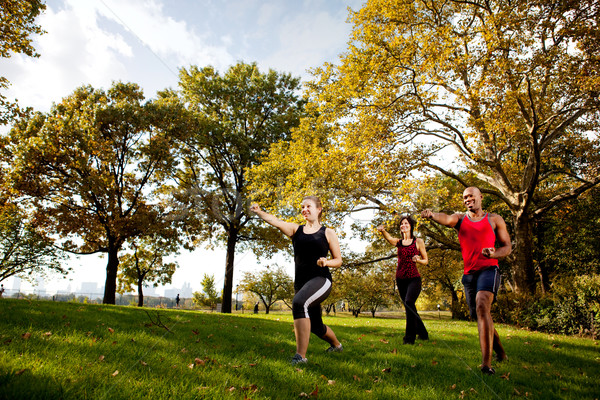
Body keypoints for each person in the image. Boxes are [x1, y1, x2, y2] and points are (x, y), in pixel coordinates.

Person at [421, 186, 510, 375]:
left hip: (489, 268)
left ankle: (486, 364)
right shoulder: (460, 219)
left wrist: (494, 253)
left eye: (471, 196)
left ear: (480, 197)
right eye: (464, 197)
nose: (467, 199)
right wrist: (432, 215)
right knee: (479, 313)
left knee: (482, 305)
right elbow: (446, 219)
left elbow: (507, 247)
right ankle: (500, 351)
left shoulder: (494, 219)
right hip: (469, 274)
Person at [251, 196, 343, 365]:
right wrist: (259, 212)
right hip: (301, 283)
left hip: (321, 280)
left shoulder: (327, 232)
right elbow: (276, 221)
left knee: (299, 303)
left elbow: (338, 260)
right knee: (315, 326)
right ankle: (337, 346)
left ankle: (300, 357)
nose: (304, 209)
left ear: (319, 209)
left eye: (308, 206)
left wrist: (326, 261)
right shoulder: (296, 230)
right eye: (302, 207)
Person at [378, 216, 429, 344]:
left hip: (414, 279)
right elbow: (389, 238)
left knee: (409, 302)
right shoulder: (399, 242)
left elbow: (426, 260)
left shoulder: (418, 241)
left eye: (406, 223)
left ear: (411, 226)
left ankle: (409, 339)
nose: (403, 225)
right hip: (400, 279)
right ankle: (423, 333)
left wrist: (418, 260)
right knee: (409, 306)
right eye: (401, 224)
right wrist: (383, 230)